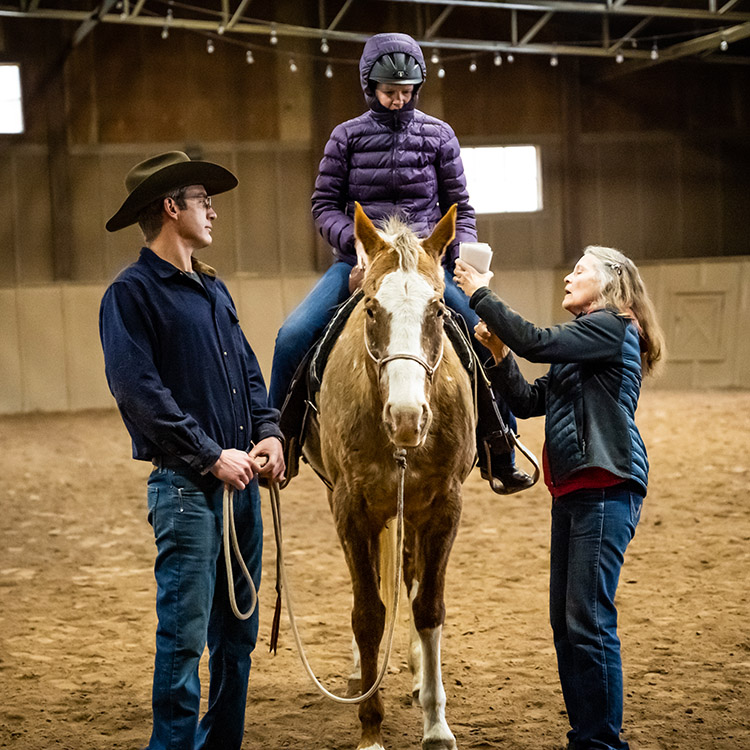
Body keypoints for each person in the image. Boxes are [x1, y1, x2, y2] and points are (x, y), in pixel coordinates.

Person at [269, 30, 531, 492]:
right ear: (370, 87)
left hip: (427, 264)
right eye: (390, 92)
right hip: (363, 263)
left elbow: (460, 207)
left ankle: (500, 446)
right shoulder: (345, 137)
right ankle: (280, 442)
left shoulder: (438, 135)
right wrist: (353, 244)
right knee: (292, 336)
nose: (398, 100)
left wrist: (463, 257)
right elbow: (324, 206)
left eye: (406, 91)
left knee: (486, 331)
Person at [99, 151, 285, 750]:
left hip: (238, 483)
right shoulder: (130, 295)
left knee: (238, 637)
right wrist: (210, 455)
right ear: (171, 207)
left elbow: (249, 373)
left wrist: (269, 432)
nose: (213, 212)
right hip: (186, 487)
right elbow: (140, 394)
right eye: (204, 201)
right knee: (182, 641)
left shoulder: (213, 288)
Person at [454, 246, 665, 750]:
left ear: (610, 281)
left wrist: (479, 292)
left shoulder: (612, 327)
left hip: (604, 485)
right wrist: (501, 358)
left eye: (580, 270)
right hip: (575, 488)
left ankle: (600, 744)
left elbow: (536, 341)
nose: (569, 278)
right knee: (569, 627)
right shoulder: (586, 345)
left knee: (587, 622)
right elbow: (529, 401)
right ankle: (587, 737)